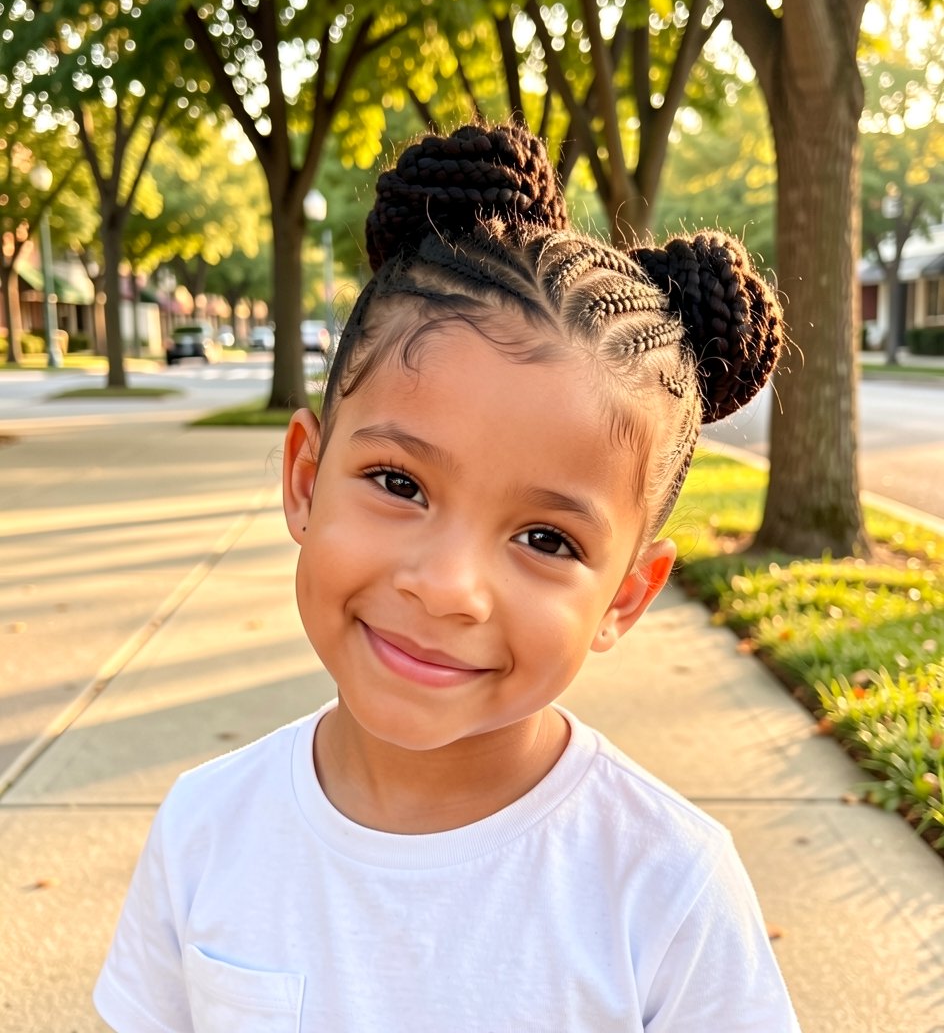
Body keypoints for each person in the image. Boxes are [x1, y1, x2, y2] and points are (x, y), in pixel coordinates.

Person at [94, 121, 800, 1032]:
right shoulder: (207, 829)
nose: (448, 586)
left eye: (547, 539)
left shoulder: (665, 891)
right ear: (306, 480)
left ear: (623, 596)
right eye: (400, 484)